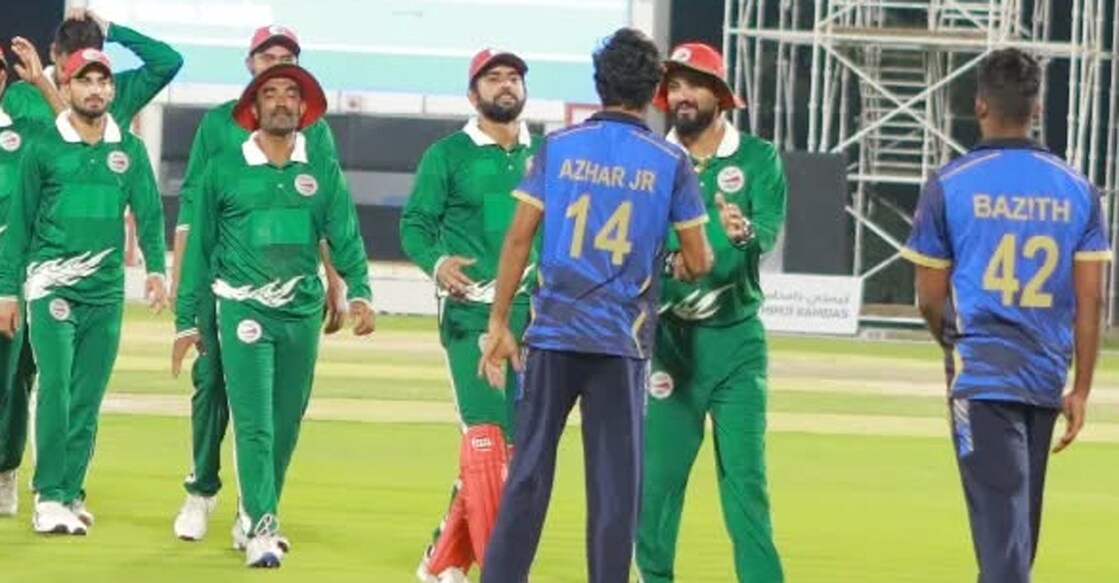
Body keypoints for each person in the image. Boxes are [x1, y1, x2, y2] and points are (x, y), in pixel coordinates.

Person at [477, 28, 714, 583]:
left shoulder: (557, 148)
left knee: (529, 474)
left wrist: (497, 322)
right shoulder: (669, 162)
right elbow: (700, 259)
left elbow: (517, 239)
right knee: (613, 488)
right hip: (620, 343)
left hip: (552, 336)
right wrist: (674, 260)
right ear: (655, 88)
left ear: (598, 82)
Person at [901, 48, 1110, 583]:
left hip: (983, 374)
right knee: (1016, 535)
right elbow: (1092, 301)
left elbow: (928, 296)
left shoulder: (949, 183)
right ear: (1037, 109)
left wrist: (953, 345)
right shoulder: (1078, 188)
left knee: (1003, 542)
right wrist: (1081, 388)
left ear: (980, 106)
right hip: (1044, 377)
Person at [171, 63, 375, 568]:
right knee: (255, 423)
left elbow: (343, 234)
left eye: (291, 94)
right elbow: (199, 253)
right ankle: (264, 529)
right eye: (271, 93)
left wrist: (360, 292)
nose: (282, 101)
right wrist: (187, 320)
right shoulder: (223, 168)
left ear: (303, 108)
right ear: (254, 107)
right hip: (243, 309)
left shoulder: (320, 171)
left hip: (301, 312)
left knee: (286, 422)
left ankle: (252, 511)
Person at [0, 48, 169, 535]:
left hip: (105, 288)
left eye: (103, 81)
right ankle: (48, 496)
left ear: (112, 90)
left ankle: (70, 491)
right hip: (50, 283)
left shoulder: (129, 150)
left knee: (87, 395)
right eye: (85, 81)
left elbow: (149, 213)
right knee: (55, 386)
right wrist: (9, 291)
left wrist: (157, 269)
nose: (96, 90)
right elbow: (19, 226)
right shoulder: (45, 146)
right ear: (67, 88)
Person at [636, 42, 786, 583]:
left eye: (694, 83)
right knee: (657, 485)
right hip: (672, 347)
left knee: (746, 482)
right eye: (674, 85)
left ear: (719, 95)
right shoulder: (654, 160)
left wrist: (745, 233)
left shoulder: (757, 158)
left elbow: (765, 228)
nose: (682, 95)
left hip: (737, 346)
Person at [399, 48, 539, 583]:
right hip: (470, 316)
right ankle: (500, 569)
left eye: (514, 78)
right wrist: (436, 263)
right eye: (493, 78)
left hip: (534, 318)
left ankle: (442, 560)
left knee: (517, 448)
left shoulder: (546, 153)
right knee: (485, 439)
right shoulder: (448, 155)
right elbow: (414, 225)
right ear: (472, 94)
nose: (506, 86)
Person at [3, 7, 183, 126]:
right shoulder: (20, 96)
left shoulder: (117, 93)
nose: (71, 82)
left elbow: (169, 61)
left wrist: (110, 29)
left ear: (99, 60)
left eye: (82, 73)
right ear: (53, 53)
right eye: (66, 69)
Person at [0, 46, 40, 518]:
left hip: (9, 279)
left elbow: (78, 136)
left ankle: (6, 470)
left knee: (10, 381)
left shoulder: (25, 134)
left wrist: (42, 84)